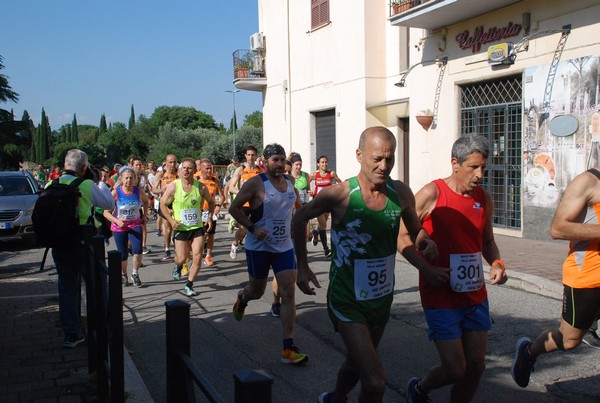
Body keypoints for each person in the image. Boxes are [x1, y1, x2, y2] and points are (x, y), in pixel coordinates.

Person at [292, 127, 438, 402]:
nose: (384, 167)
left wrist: (424, 241)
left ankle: (336, 397)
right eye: (377, 159)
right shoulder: (341, 194)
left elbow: (416, 230)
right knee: (375, 382)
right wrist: (302, 265)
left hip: (381, 299)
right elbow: (299, 218)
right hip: (347, 298)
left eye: (389, 159)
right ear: (359, 155)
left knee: (357, 362)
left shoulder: (401, 193)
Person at [399, 134, 508, 403]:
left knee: (476, 367)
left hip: (474, 294)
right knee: (455, 369)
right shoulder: (432, 193)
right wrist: (427, 269)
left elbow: (488, 241)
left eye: (484, 167)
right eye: (473, 167)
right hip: (440, 295)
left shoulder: (484, 198)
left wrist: (496, 262)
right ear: (455, 164)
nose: (480, 174)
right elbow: (402, 237)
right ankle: (421, 388)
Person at [511, 165, 600, 388]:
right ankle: (529, 351)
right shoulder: (587, 182)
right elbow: (558, 228)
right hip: (586, 276)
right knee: (569, 340)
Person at [230, 143, 308, 365]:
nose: (280, 164)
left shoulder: (290, 182)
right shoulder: (255, 184)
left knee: (288, 291)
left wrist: (304, 219)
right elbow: (234, 208)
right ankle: (242, 299)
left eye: (283, 160)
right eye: (275, 160)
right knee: (257, 290)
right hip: (259, 246)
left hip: (283, 246)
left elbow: (296, 207)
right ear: (265, 162)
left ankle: (288, 347)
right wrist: (253, 228)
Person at [50, 149, 114, 347]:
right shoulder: (87, 185)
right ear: (84, 167)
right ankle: (102, 327)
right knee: (97, 286)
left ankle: (71, 333)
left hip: (60, 244)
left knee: (67, 288)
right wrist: (99, 182)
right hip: (85, 244)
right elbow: (108, 202)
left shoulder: (52, 183)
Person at [160, 158, 214, 297]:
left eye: (189, 168)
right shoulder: (174, 186)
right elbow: (163, 204)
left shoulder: (201, 187)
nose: (186, 170)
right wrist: (171, 220)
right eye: (184, 168)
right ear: (180, 170)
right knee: (182, 258)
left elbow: (211, 202)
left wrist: (209, 217)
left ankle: (189, 284)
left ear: (194, 171)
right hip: (181, 228)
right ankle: (178, 265)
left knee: (197, 257)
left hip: (197, 227)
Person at [103, 166, 148, 286]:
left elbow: (146, 201)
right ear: (121, 179)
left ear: (134, 179)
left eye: (131, 178)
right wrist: (117, 221)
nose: (129, 180)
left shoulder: (138, 191)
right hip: (119, 227)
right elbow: (106, 212)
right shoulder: (116, 193)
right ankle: (124, 275)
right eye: (126, 178)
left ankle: (135, 273)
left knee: (138, 249)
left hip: (134, 224)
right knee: (123, 253)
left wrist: (144, 215)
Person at [225, 146, 261, 259]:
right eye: (248, 155)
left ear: (256, 156)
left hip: (255, 204)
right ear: (245, 156)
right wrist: (243, 193)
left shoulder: (259, 170)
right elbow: (231, 187)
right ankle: (235, 243)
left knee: (255, 228)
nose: (251, 157)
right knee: (244, 228)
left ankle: (255, 251)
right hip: (243, 204)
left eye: (253, 155)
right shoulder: (240, 169)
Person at [310, 155, 343, 257]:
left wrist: (335, 188)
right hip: (318, 202)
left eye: (326, 162)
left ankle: (315, 232)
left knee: (322, 224)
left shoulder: (331, 174)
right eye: (322, 162)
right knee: (324, 226)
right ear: (318, 164)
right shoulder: (314, 175)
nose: (324, 164)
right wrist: (310, 192)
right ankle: (326, 249)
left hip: (328, 203)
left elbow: (341, 184)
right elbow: (306, 184)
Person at [196, 159, 225, 267]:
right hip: (198, 212)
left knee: (210, 234)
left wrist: (218, 206)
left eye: (210, 168)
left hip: (210, 212)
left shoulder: (215, 180)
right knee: (201, 235)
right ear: (201, 169)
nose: (209, 170)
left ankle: (208, 256)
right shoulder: (196, 179)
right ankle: (194, 254)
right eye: (207, 168)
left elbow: (222, 196)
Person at [153, 154, 179, 261]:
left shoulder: (179, 174)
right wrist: (161, 191)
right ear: (166, 163)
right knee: (167, 227)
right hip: (165, 203)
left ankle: (178, 247)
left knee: (177, 226)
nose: (172, 164)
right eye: (170, 162)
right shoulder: (161, 174)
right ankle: (167, 249)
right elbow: (154, 190)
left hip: (177, 203)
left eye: (174, 162)